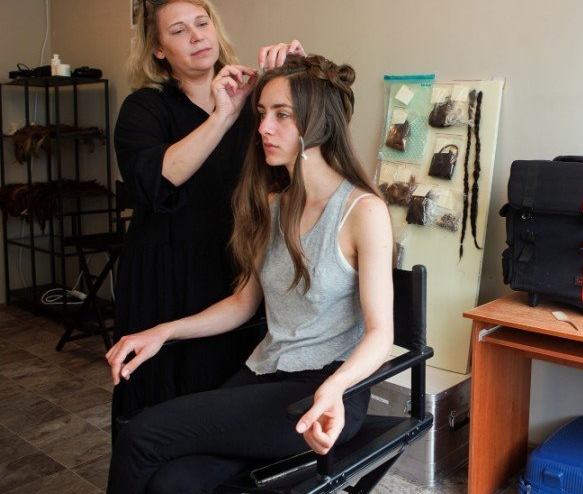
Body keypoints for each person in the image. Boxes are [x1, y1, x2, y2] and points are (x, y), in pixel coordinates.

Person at [106, 54, 394, 493]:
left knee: (141, 436)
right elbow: (243, 303)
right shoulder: (275, 206)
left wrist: (335, 389)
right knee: (173, 483)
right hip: (262, 375)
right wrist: (162, 332)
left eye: (281, 115)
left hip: (320, 393)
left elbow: (380, 334)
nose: (263, 128)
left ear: (318, 123)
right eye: (261, 114)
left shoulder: (362, 212)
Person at [113, 0, 305, 432]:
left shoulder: (255, 99)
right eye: (178, 31)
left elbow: (306, 145)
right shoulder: (144, 108)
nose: (197, 36)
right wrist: (223, 115)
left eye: (202, 23)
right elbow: (157, 179)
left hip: (236, 266)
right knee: (161, 403)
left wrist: (299, 77)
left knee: (230, 401)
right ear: (158, 49)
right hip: (165, 276)